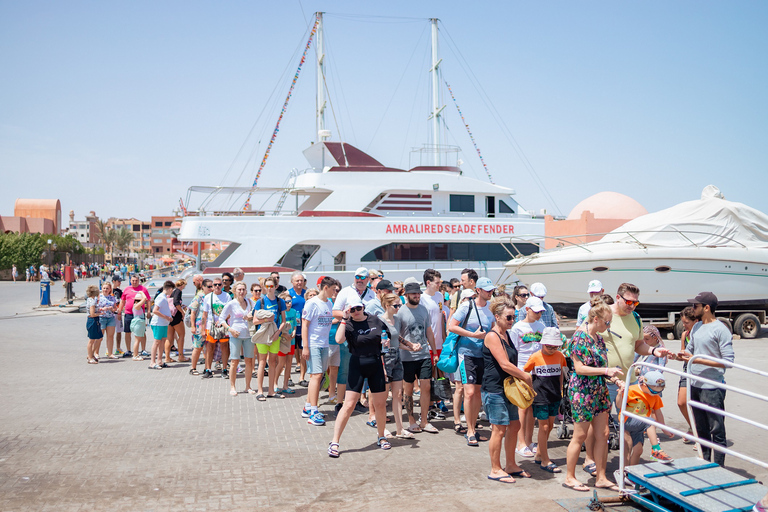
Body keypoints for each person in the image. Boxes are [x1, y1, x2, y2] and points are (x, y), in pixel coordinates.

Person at [563, 297, 622, 493]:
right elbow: (579, 369)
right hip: (582, 391)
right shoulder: (580, 337)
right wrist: (606, 372)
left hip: (599, 389)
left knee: (603, 434)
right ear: (595, 319)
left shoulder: (599, 338)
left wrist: (614, 379)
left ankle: (601, 476)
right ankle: (569, 477)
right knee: (579, 435)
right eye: (607, 322)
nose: (609, 325)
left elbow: (601, 367)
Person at [328, 296, 392, 457]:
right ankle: (335, 441)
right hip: (357, 364)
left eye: (358, 308)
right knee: (348, 404)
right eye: (352, 310)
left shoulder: (375, 320)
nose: (356, 312)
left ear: (363, 307)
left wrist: (387, 342)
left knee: (380, 404)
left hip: (376, 363)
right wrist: (344, 318)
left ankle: (381, 436)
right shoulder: (348, 324)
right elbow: (338, 339)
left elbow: (386, 336)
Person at [679, 292, 734, 467]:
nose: (693, 309)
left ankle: (719, 468)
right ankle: (704, 465)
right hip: (694, 384)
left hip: (712, 388)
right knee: (700, 430)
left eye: (696, 306)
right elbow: (690, 351)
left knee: (716, 430)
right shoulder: (696, 327)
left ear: (707, 308)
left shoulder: (721, 329)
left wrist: (695, 359)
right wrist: (679, 355)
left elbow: (728, 362)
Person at [482, 296, 533, 483]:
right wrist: (525, 376)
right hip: (494, 389)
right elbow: (504, 364)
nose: (512, 321)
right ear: (497, 317)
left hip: (508, 388)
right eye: (508, 317)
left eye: (513, 317)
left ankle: (510, 464)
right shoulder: (492, 336)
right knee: (499, 429)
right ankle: (495, 469)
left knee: (514, 425)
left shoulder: (508, 335)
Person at [448, 276, 495, 446]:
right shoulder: (467, 306)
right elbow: (451, 326)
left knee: (477, 393)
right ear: (478, 291)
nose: (490, 293)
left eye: (492, 290)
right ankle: (469, 430)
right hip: (466, 353)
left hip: (483, 354)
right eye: (487, 290)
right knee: (468, 392)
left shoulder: (491, 308)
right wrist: (472, 335)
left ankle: (473, 427)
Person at [524, 327, 568, 473]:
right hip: (540, 396)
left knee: (549, 426)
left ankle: (539, 454)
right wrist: (530, 391)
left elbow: (562, 374)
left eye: (555, 346)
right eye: (549, 346)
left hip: (554, 395)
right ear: (543, 343)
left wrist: (562, 392)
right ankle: (545, 460)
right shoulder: (535, 357)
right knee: (543, 427)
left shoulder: (560, 356)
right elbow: (525, 373)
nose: (551, 349)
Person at [397, 281, 438, 434]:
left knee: (426, 387)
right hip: (407, 357)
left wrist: (434, 352)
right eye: (413, 293)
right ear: (406, 295)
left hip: (424, 354)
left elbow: (429, 331)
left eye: (418, 293)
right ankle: (411, 420)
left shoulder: (424, 309)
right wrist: (408, 346)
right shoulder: (400, 311)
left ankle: (425, 421)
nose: (417, 296)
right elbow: (397, 335)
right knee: (407, 389)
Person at [378, 292, 419, 439]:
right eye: (395, 306)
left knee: (398, 395)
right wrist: (381, 365)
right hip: (385, 358)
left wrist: (410, 347)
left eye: (399, 305)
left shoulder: (396, 320)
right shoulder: (379, 321)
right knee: (382, 398)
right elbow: (378, 345)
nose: (398, 308)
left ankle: (400, 428)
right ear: (387, 306)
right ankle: (382, 430)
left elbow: (397, 340)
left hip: (396, 357)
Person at [509, 296, 546, 456]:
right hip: (523, 370)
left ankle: (529, 440)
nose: (538, 314)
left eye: (540, 311)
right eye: (536, 311)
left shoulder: (541, 325)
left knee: (532, 407)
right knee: (522, 407)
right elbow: (514, 351)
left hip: (538, 371)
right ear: (527, 310)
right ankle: (520, 443)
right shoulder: (517, 327)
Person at [618, 370, 673, 468]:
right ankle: (656, 449)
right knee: (627, 447)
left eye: (660, 391)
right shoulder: (631, 390)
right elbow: (619, 405)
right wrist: (619, 394)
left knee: (638, 450)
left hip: (640, 425)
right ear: (644, 385)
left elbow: (658, 413)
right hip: (627, 422)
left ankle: (631, 473)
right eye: (653, 391)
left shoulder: (655, 397)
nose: (656, 393)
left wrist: (665, 429)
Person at [302, 277, 337, 425]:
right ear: (325, 288)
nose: (335, 292)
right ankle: (314, 412)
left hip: (324, 344)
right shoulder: (312, 303)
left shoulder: (329, 303)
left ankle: (308, 407)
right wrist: (305, 346)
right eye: (333, 289)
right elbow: (305, 325)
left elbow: (329, 321)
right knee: (316, 376)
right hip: (314, 344)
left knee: (319, 375)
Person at [252, 277, 286, 400]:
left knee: (272, 362)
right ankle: (260, 391)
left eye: (272, 286)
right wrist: (266, 320)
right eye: (267, 286)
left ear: (276, 287)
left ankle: (271, 390)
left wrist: (278, 332)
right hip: (263, 336)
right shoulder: (260, 302)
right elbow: (255, 320)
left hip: (275, 336)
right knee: (262, 362)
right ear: (264, 287)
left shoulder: (280, 301)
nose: (269, 288)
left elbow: (283, 321)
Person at [221, 282, 255, 396]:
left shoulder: (250, 302)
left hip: (248, 334)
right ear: (235, 291)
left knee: (249, 361)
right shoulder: (231, 304)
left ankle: (248, 386)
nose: (241, 292)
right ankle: (232, 386)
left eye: (243, 289)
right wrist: (230, 330)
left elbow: (257, 314)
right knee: (234, 361)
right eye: (239, 289)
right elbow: (221, 319)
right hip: (235, 334)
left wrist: (251, 316)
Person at [199, 277, 232, 379]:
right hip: (210, 325)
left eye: (219, 284)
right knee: (209, 348)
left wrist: (222, 320)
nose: (217, 286)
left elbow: (230, 312)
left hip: (223, 326)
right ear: (212, 286)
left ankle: (224, 369)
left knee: (224, 347)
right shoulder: (208, 297)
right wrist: (203, 329)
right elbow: (204, 314)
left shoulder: (227, 296)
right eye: (215, 285)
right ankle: (208, 369)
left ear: (222, 286)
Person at [675, 306, 697, 441]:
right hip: (686, 369)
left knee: (697, 403)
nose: (683, 325)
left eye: (686, 322)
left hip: (699, 371)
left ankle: (699, 434)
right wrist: (676, 356)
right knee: (681, 402)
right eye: (682, 322)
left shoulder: (700, 334)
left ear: (695, 321)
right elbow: (683, 355)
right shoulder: (685, 335)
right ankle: (693, 427)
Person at [119, 275, 151, 358]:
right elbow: (122, 302)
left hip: (140, 315)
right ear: (130, 281)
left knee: (142, 332)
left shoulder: (143, 289)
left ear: (139, 281)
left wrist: (149, 312)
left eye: (136, 280)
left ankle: (143, 350)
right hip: (128, 313)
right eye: (133, 280)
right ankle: (129, 350)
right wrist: (119, 312)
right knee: (127, 332)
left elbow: (148, 301)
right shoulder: (126, 289)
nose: (134, 282)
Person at [275, 291, 298, 396]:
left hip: (291, 341)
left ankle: (285, 385)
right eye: (286, 301)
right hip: (282, 341)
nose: (289, 303)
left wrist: (293, 331)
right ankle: (274, 384)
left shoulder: (293, 311)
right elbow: (278, 326)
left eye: (290, 301)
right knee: (281, 363)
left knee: (289, 363)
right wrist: (284, 335)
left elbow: (295, 324)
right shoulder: (281, 313)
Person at [148, 281, 174, 370]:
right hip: (158, 323)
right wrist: (166, 317)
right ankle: (152, 362)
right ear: (170, 289)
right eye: (172, 290)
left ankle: (159, 360)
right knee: (157, 341)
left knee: (162, 341)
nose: (171, 292)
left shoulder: (163, 297)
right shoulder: (161, 298)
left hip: (163, 323)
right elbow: (155, 310)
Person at [188, 278, 212, 375]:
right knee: (197, 347)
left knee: (208, 348)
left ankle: (207, 368)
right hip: (199, 326)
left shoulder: (212, 297)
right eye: (209, 286)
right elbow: (193, 312)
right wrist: (193, 326)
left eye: (212, 286)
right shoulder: (199, 297)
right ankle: (193, 368)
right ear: (203, 287)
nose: (211, 288)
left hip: (209, 325)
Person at [287, 271, 306, 387]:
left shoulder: (307, 293)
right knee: (289, 355)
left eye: (301, 280)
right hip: (291, 329)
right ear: (292, 282)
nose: (299, 282)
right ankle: (288, 377)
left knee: (304, 354)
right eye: (297, 280)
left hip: (304, 329)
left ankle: (302, 378)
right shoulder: (288, 294)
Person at [168, 278, 189, 363]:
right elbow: (176, 303)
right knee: (181, 335)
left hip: (170, 316)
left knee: (169, 338)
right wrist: (183, 312)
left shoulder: (172, 291)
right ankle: (181, 356)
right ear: (182, 285)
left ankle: (167, 357)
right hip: (176, 317)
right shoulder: (178, 291)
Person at [97, 281, 119, 359]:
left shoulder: (112, 298)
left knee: (110, 336)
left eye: (107, 288)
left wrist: (112, 309)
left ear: (110, 289)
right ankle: (96, 353)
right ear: (102, 288)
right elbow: (95, 308)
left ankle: (110, 353)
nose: (105, 290)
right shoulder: (98, 297)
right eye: (104, 288)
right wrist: (103, 309)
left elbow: (115, 308)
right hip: (101, 317)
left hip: (110, 318)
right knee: (100, 337)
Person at [85, 285, 103, 364]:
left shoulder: (91, 299)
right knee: (91, 340)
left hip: (95, 320)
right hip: (92, 320)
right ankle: (90, 357)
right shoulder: (92, 301)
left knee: (99, 338)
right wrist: (100, 313)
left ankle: (91, 354)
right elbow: (92, 314)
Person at [129, 292, 148, 361]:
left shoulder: (136, 306)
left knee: (138, 340)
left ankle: (136, 354)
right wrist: (142, 293)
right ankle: (135, 355)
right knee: (137, 340)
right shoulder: (136, 305)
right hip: (138, 323)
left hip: (140, 323)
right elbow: (145, 298)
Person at [111, 276, 127, 356]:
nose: (120, 283)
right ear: (114, 281)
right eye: (118, 281)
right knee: (110, 332)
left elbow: (122, 302)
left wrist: (120, 312)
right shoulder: (109, 289)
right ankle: (108, 348)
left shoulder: (120, 291)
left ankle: (118, 348)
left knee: (119, 331)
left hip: (117, 313)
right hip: (110, 313)